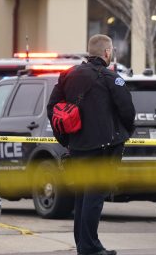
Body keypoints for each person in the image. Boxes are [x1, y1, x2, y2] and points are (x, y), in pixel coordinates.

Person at [48, 34, 135, 255]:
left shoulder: (68, 75)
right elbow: (127, 110)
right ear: (107, 53)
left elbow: (52, 108)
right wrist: (125, 133)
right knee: (94, 198)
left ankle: (83, 244)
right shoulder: (111, 77)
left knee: (83, 197)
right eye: (111, 50)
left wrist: (66, 139)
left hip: (77, 148)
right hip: (104, 149)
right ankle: (90, 247)